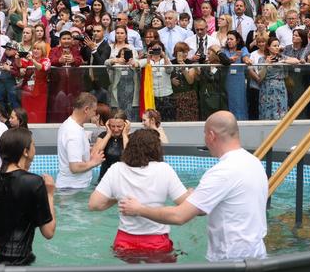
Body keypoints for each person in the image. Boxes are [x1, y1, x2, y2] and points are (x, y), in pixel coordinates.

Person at [119, 111, 268, 262]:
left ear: (211, 135)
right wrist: (196, 198)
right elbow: (209, 208)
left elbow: (179, 216)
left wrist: (139, 209)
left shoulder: (222, 172)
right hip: (257, 255)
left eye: (204, 134)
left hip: (230, 261)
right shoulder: (254, 162)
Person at [89, 129, 188, 262]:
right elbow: (186, 205)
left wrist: (118, 197)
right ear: (156, 149)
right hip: (156, 242)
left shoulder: (116, 169)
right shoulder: (164, 169)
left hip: (124, 242)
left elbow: (94, 204)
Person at [0, 128, 56, 265]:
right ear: (25, 152)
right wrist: (49, 193)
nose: (34, 149)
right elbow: (48, 232)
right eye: (33, 145)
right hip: (17, 259)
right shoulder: (34, 182)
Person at [55, 92, 104, 189]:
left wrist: (88, 150)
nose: (95, 114)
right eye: (94, 111)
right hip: (72, 188)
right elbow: (75, 167)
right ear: (86, 109)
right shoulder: (73, 132)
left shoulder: (69, 124)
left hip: (70, 186)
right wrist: (94, 162)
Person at [92, 110, 130, 182]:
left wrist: (125, 134)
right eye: (113, 126)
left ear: (125, 125)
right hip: (104, 179)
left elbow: (130, 155)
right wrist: (108, 134)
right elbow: (94, 153)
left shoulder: (131, 137)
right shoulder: (103, 136)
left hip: (123, 180)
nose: (116, 130)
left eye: (119, 126)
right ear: (108, 125)